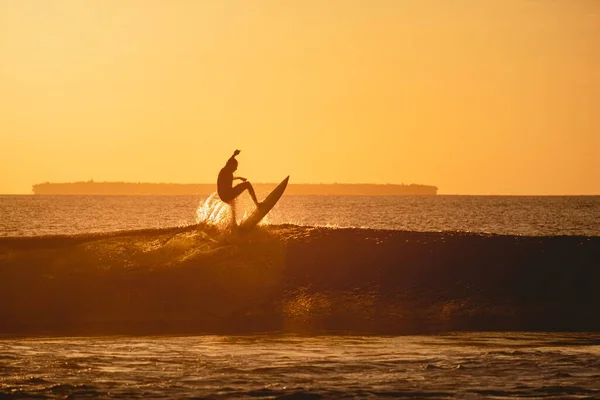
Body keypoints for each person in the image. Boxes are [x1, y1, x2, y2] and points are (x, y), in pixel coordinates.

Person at [217, 149, 261, 224]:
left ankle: (233, 223)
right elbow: (229, 161)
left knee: (233, 204)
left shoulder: (227, 173)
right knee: (248, 184)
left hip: (223, 196)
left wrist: (239, 178)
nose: (236, 168)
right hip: (227, 194)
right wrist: (234, 155)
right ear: (231, 165)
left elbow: (230, 178)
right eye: (235, 166)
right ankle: (257, 204)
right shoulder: (225, 170)